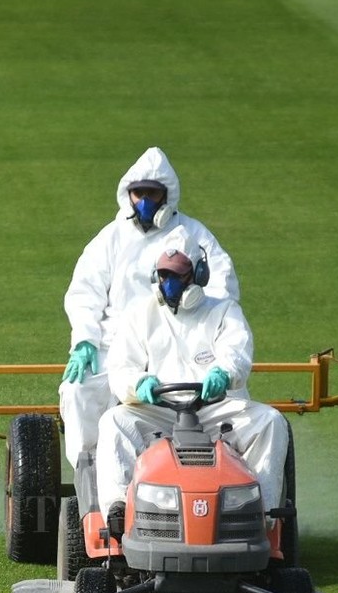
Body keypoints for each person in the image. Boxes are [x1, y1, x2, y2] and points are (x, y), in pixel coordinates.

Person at [59, 147, 239, 473]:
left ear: (166, 195)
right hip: (114, 342)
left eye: (152, 193)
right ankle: (93, 474)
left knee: (224, 400)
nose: (144, 201)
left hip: (178, 337)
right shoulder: (110, 239)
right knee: (78, 391)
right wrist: (84, 339)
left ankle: (217, 472)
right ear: (127, 194)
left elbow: (222, 293)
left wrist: (201, 335)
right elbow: (85, 293)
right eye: (138, 193)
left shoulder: (195, 236)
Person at [95, 247, 291, 531]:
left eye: (177, 276)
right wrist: (139, 384)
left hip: (214, 410)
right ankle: (119, 509)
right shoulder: (139, 315)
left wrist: (224, 373)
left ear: (197, 276)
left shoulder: (224, 311)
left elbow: (236, 353)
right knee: (113, 421)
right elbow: (121, 368)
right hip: (158, 412)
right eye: (164, 276)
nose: (170, 284)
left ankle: (261, 513)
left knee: (270, 421)